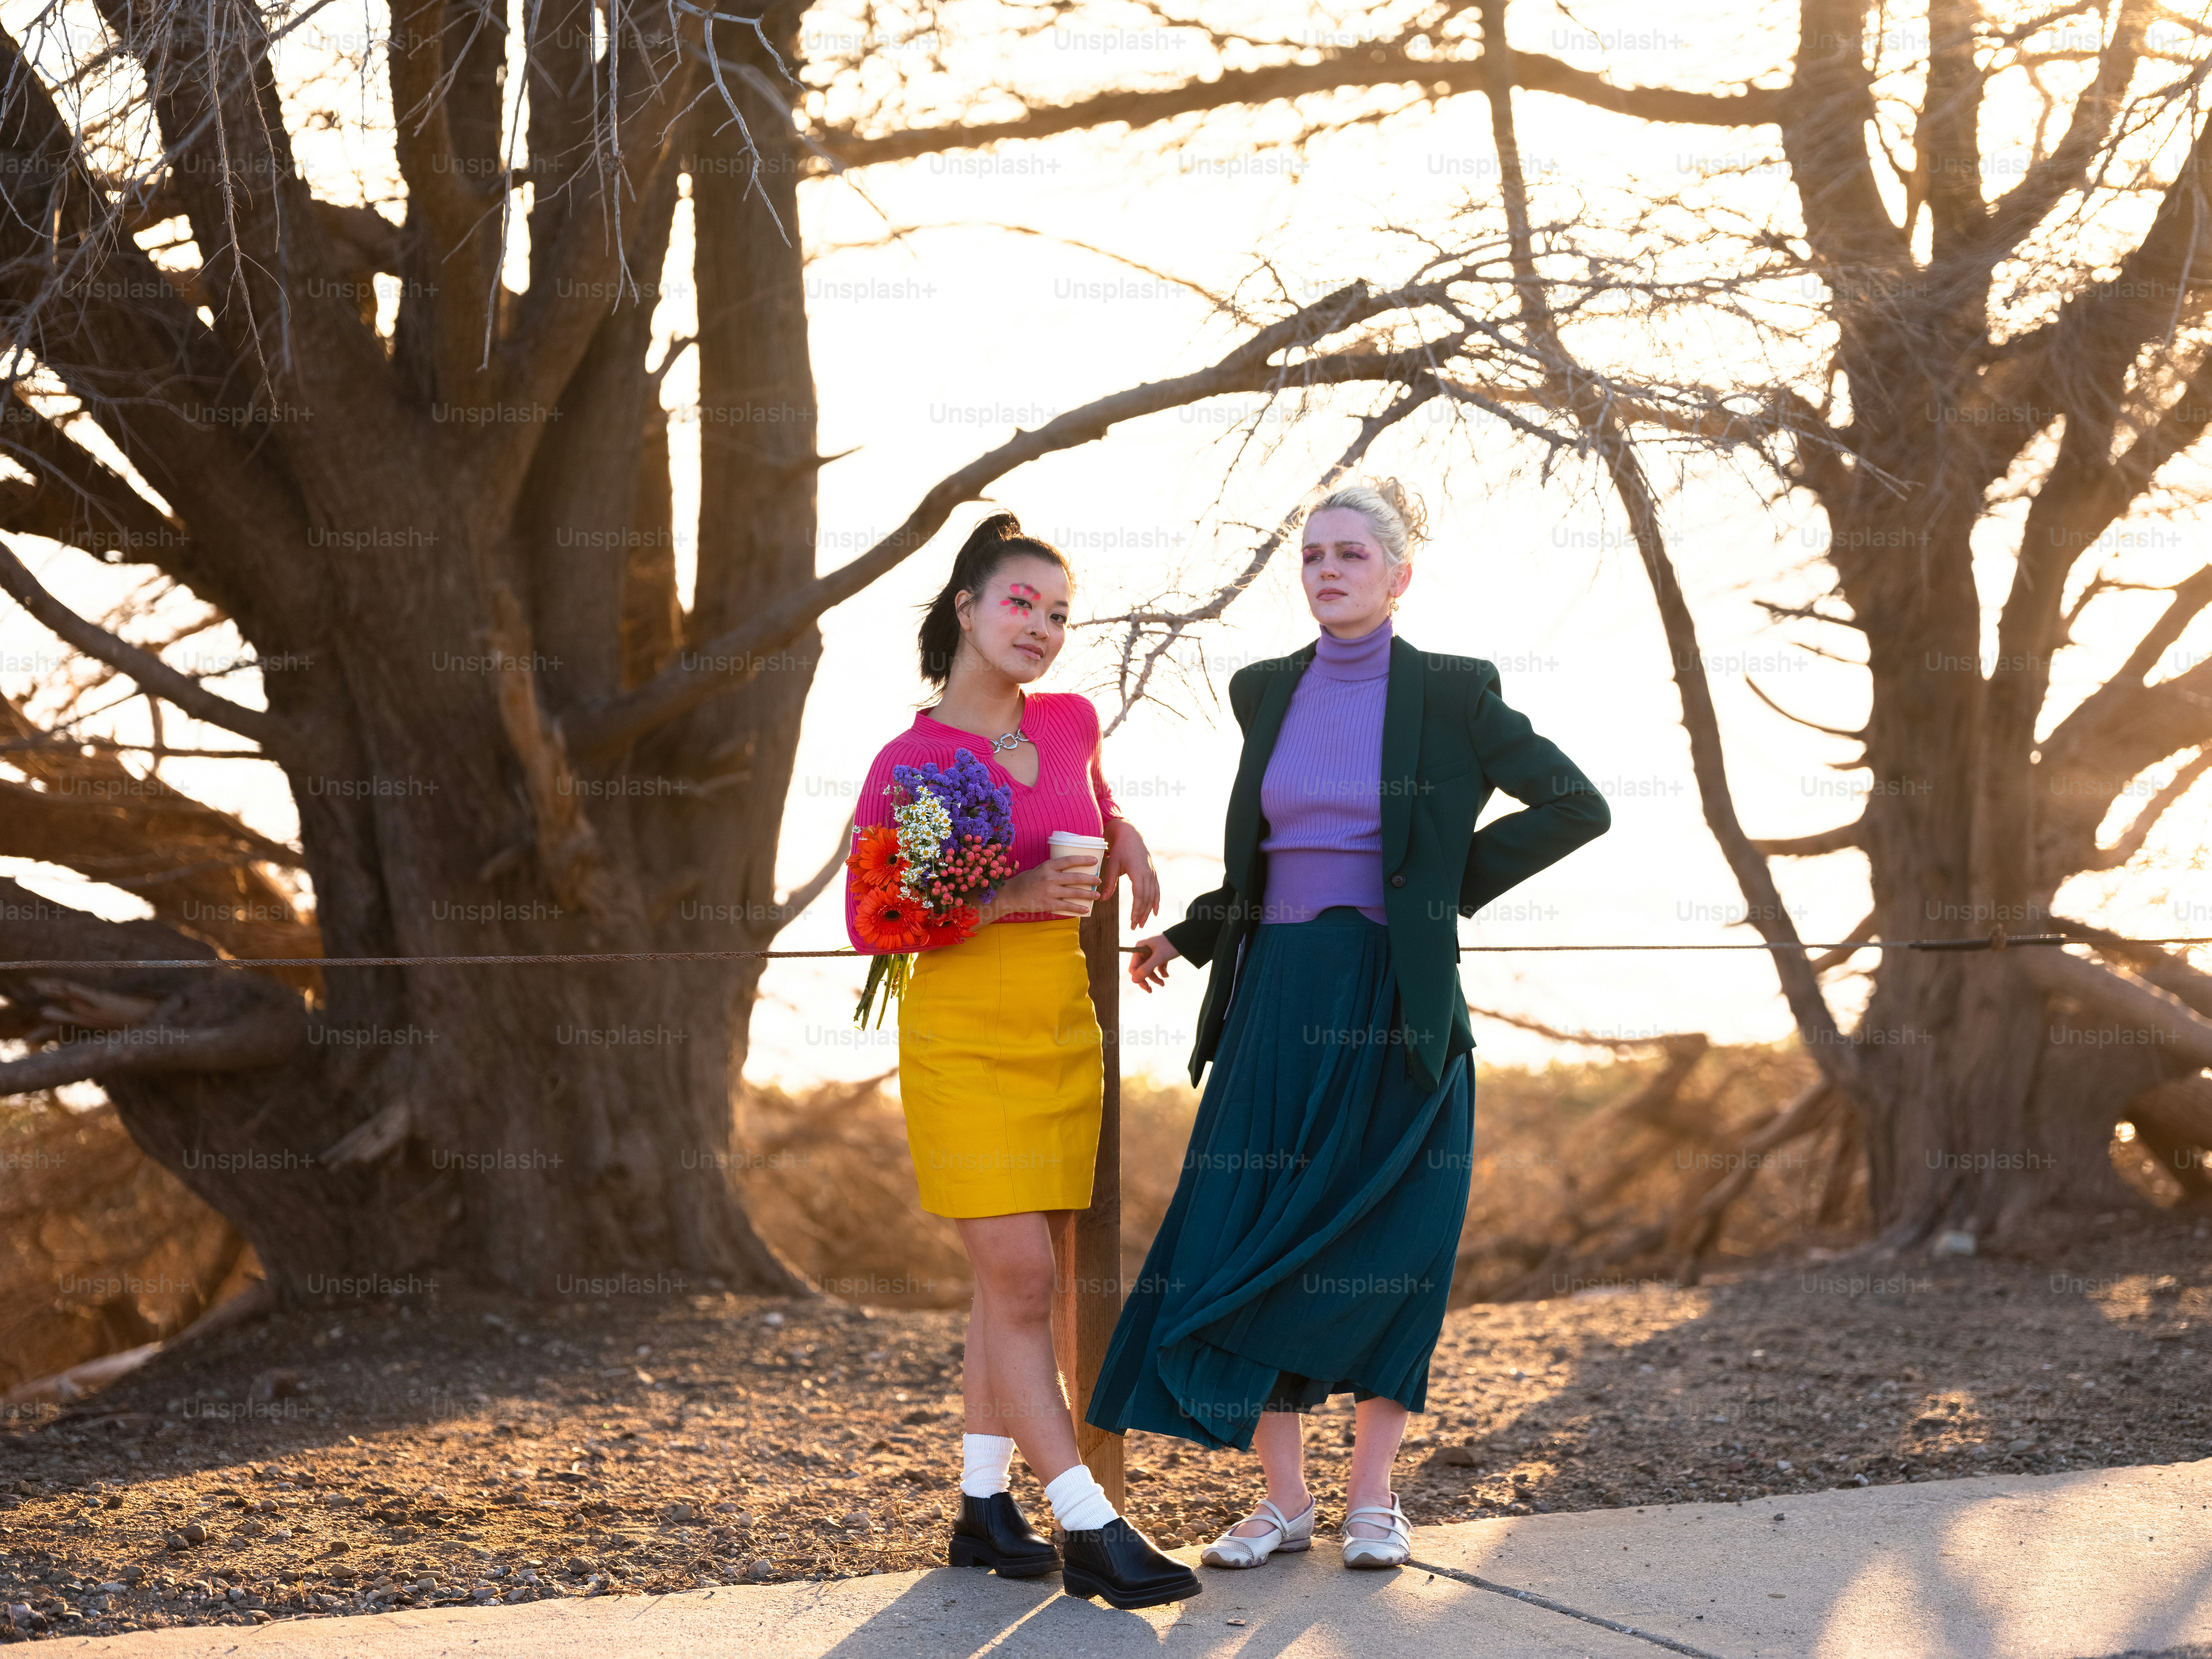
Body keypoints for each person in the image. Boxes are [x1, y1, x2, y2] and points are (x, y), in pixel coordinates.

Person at [1085, 479, 1609, 1571]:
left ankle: (1374, 1501)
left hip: (1397, 1004)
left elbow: (1576, 804)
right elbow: (1263, 859)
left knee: (1390, 1247)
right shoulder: (1264, 688)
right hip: (1277, 997)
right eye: (1314, 556)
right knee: (1250, 1235)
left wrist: (1436, 886)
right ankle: (1283, 1504)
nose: (1327, 570)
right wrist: (1191, 934)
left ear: (1399, 576)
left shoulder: (1458, 693)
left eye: (1351, 557)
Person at [844, 511, 1198, 1610]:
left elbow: (1085, 804)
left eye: (1057, 614)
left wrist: (1129, 835)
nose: (1041, 628)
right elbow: (874, 915)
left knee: (1010, 1287)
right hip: (962, 1040)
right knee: (1026, 1283)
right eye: (1020, 604)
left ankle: (982, 1508)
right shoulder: (910, 761)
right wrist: (1002, 898)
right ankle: (1088, 1523)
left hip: (1061, 1033)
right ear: (965, 607)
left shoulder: (1074, 721)